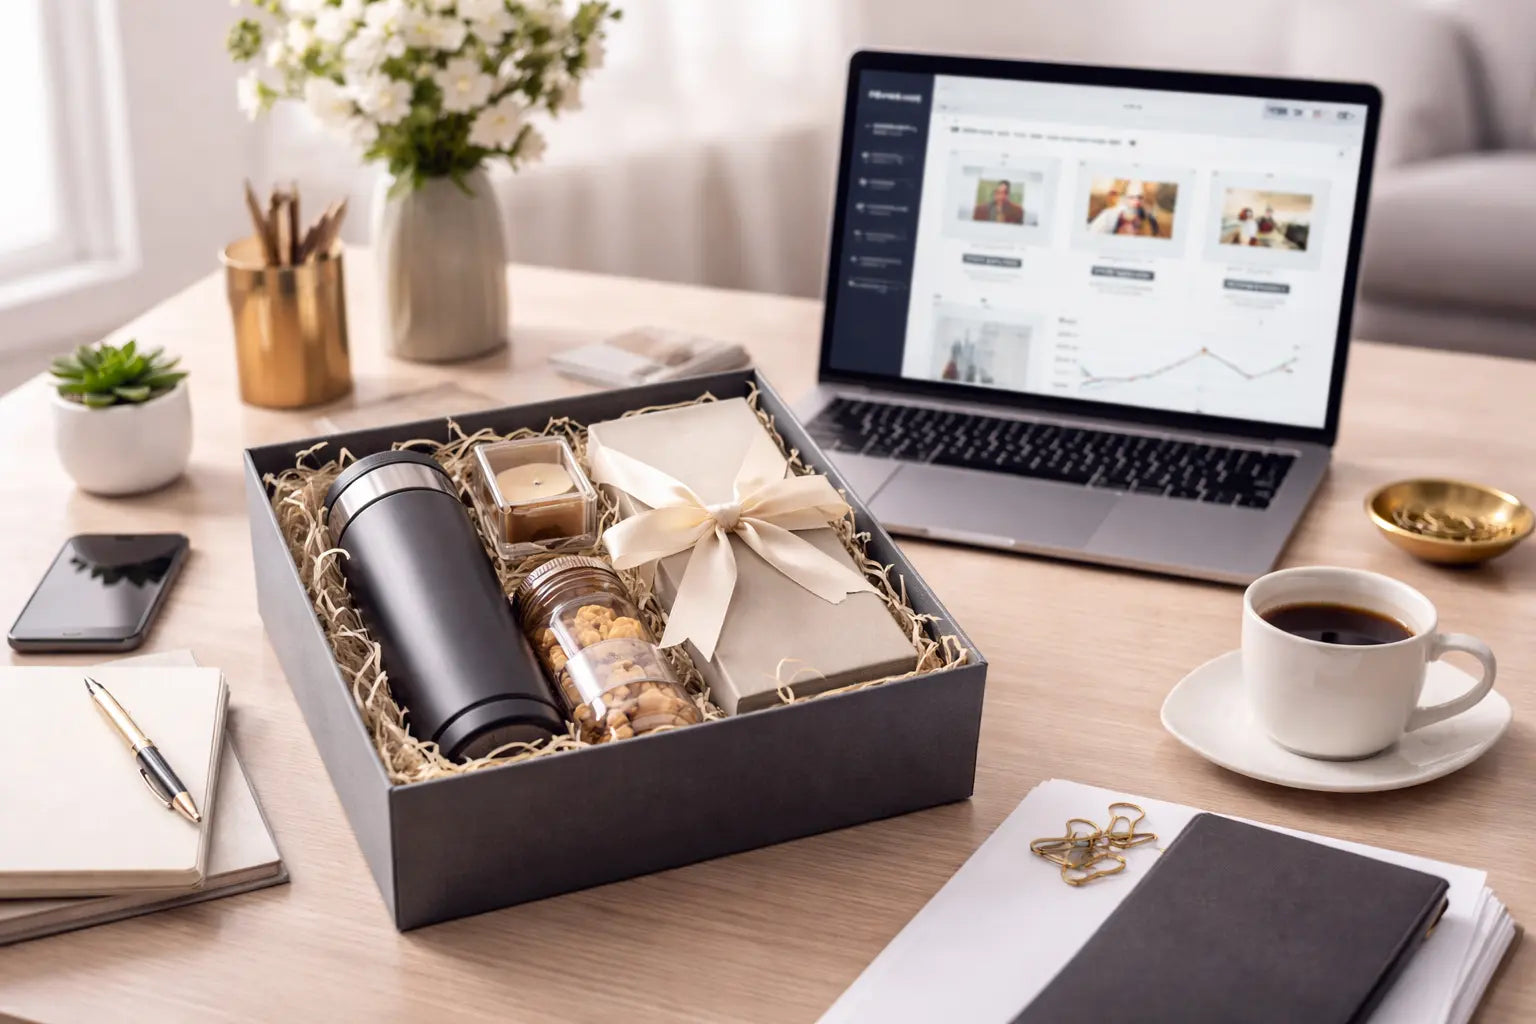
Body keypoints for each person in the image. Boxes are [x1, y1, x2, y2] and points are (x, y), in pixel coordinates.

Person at [1088, 181, 1162, 236]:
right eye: (1131, 197)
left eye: (1140, 197)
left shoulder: (1146, 217)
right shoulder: (1109, 215)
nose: (1136, 201)